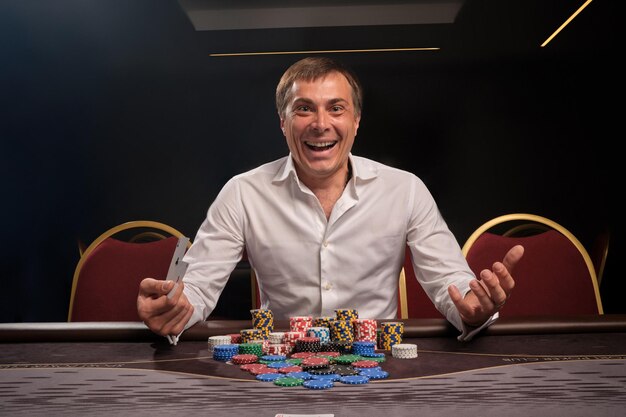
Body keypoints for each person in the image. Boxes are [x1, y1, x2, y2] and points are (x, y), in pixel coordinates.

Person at [137, 56, 524, 342]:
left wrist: (473, 310)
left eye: (335, 108)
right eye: (304, 109)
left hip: (378, 362)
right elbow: (199, 288)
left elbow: (450, 283)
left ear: (356, 121)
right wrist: (175, 310)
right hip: (283, 364)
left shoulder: (405, 189)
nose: (321, 124)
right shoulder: (242, 193)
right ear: (283, 123)